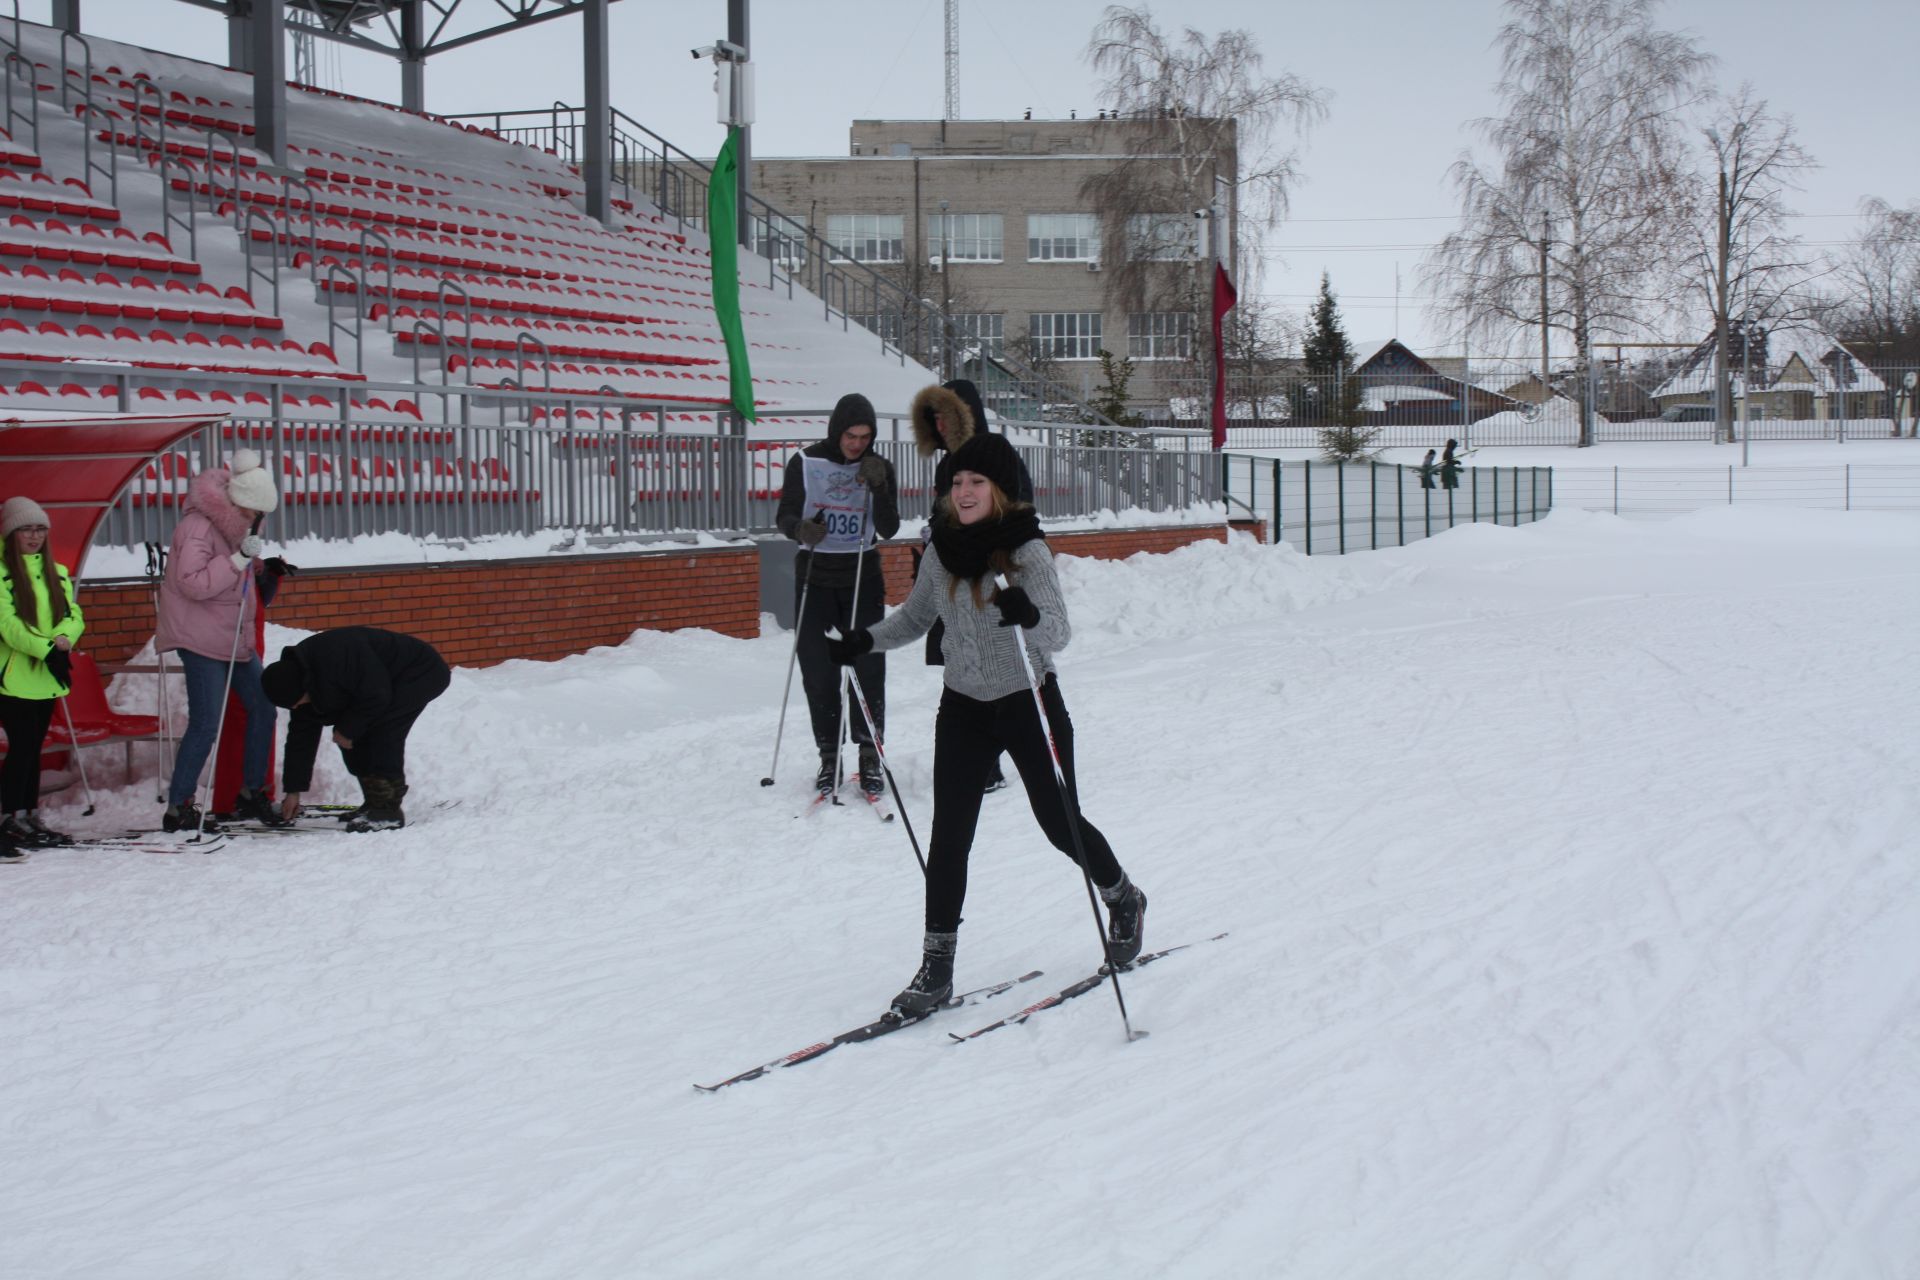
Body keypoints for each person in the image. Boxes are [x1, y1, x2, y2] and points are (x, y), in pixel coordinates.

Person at [825, 433, 1147, 1018]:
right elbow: (918, 618)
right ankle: (936, 968)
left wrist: (1028, 614)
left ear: (999, 490)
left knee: (1059, 823)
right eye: (956, 482)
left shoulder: (1027, 553)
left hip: (1029, 698)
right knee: (949, 836)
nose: (965, 492)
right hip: (964, 706)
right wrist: (863, 641)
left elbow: (1058, 636)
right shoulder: (943, 549)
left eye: (977, 482)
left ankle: (1123, 896)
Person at [910, 378, 1036, 793]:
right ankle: (980, 759)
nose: (941, 425)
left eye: (947, 416)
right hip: (954, 582)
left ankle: (996, 757)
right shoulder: (948, 463)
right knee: (963, 664)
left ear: (966, 415)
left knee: (1000, 666)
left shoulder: (994, 457)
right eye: (935, 419)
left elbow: (1019, 511)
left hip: (992, 578)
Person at [774, 392, 900, 798]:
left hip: (862, 577)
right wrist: (799, 530)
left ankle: (869, 753)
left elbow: (889, 528)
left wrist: (880, 486)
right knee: (818, 670)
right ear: (837, 430)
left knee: (867, 668)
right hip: (815, 576)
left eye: (865, 436)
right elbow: (785, 515)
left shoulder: (878, 466)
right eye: (850, 435)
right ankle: (829, 755)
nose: (857, 444)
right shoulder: (806, 462)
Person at [154, 449, 288, 832]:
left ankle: (251, 791)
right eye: (252, 515)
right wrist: (238, 562)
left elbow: (235, 577)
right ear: (235, 503)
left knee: (263, 708)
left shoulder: (236, 528)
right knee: (206, 723)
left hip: (234, 636)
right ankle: (179, 805)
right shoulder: (197, 526)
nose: (255, 522)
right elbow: (193, 583)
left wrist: (259, 568)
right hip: (199, 639)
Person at [260, 627, 451, 832]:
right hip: (378, 685)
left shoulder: (335, 659)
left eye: (296, 703)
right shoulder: (299, 681)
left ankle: (386, 812)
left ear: (302, 688)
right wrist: (293, 791)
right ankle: (374, 803)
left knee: (382, 732)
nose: (296, 708)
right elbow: (301, 739)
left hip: (419, 671)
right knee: (353, 735)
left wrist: (347, 729)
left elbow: (377, 695)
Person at [0, 495, 85, 852]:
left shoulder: (58, 572)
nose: (34, 537)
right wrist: (48, 647)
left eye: (39, 529)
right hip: (16, 678)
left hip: (48, 677)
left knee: (33, 749)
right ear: (10, 534)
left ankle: (29, 813)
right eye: (25, 530)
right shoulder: (3, 573)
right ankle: (9, 817)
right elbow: (8, 625)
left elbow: (74, 614)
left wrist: (65, 638)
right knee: (20, 749)